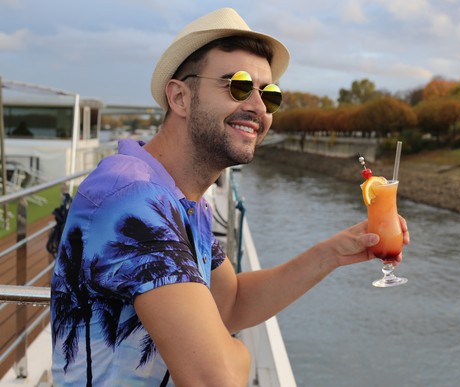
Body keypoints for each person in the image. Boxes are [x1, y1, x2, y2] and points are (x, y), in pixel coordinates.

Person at [50, 7, 409, 386]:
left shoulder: (186, 201)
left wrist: (334, 251)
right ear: (180, 98)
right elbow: (216, 378)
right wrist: (240, 354)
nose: (257, 106)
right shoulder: (132, 198)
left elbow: (232, 301)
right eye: (237, 86)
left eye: (269, 94)